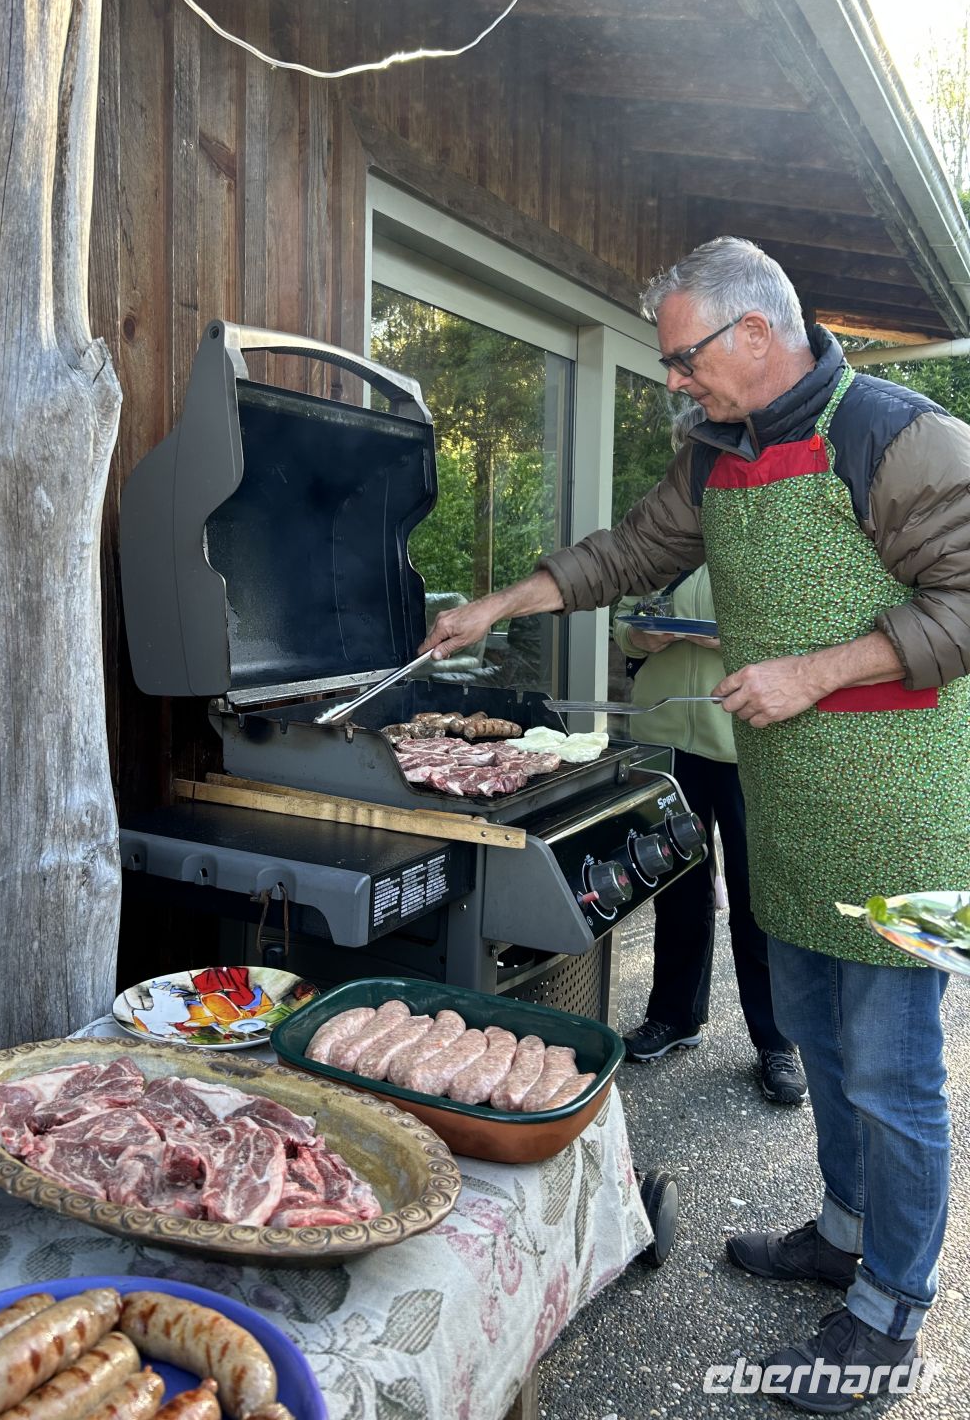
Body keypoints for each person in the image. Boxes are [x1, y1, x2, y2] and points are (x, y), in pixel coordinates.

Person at [421, 236, 970, 1408]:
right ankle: (842, 1228)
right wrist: (504, 602)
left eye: (683, 357)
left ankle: (891, 1311)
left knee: (893, 1070)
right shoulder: (717, 455)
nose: (674, 380)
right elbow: (634, 550)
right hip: (802, 802)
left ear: (755, 335)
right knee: (821, 1040)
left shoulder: (893, 433)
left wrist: (814, 670)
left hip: (913, 818)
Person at [612, 419, 805, 1105]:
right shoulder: (666, 536)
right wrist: (641, 631)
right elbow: (628, 625)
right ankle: (673, 1016)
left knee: (759, 901)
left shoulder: (773, 526)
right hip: (669, 739)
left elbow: (803, 630)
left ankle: (778, 1044)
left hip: (747, 740)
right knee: (677, 889)